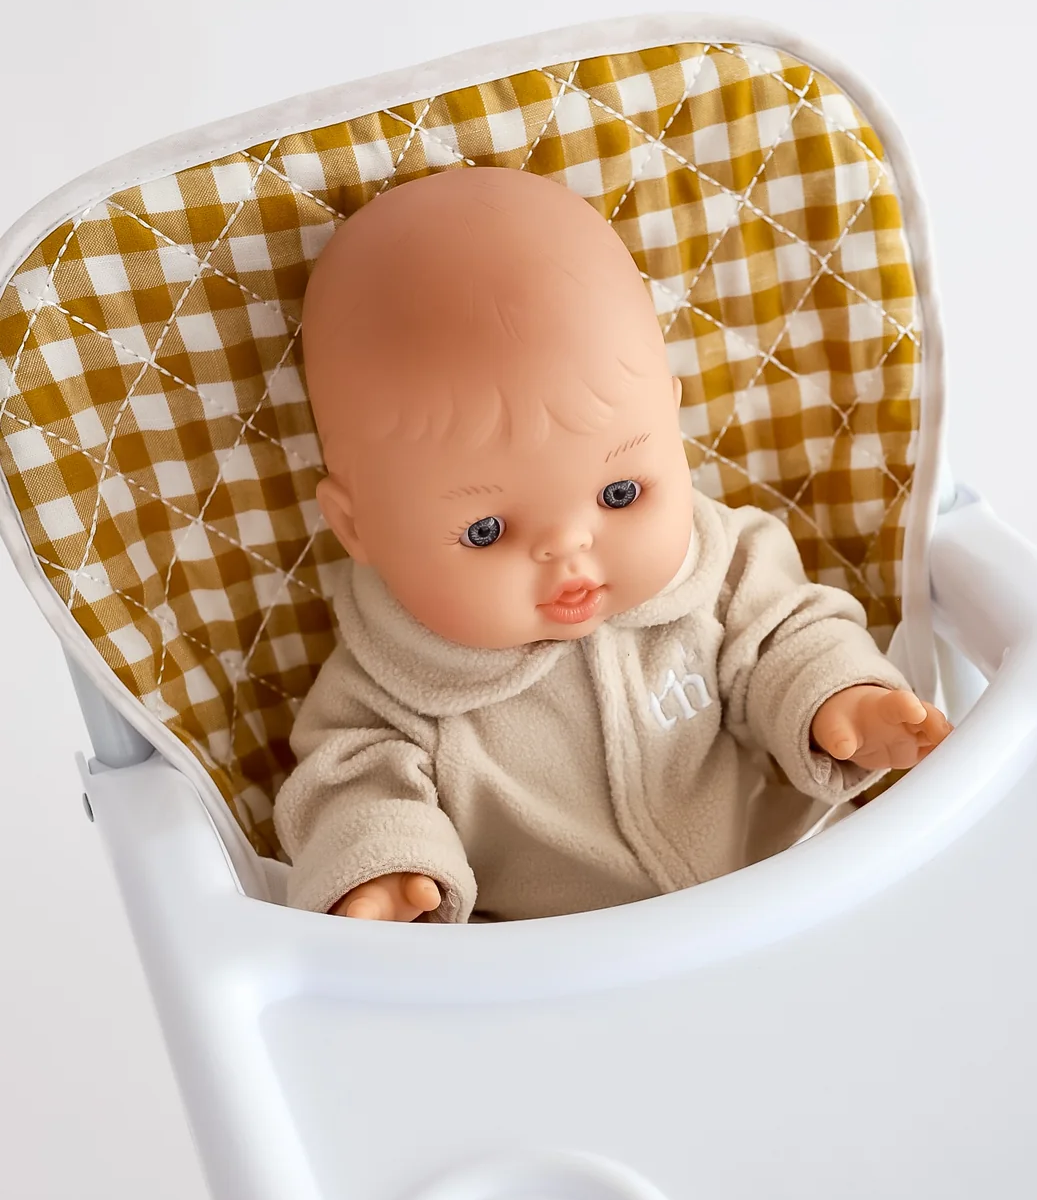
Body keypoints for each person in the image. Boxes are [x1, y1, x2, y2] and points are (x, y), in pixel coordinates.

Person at [276, 166, 950, 923]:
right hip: (560, 968)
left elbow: (787, 638)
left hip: (792, 890)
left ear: (673, 422)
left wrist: (839, 700)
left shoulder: (723, 569)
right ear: (356, 526)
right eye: (486, 531)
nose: (572, 549)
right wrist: (386, 871)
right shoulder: (385, 693)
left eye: (620, 494)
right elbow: (352, 791)